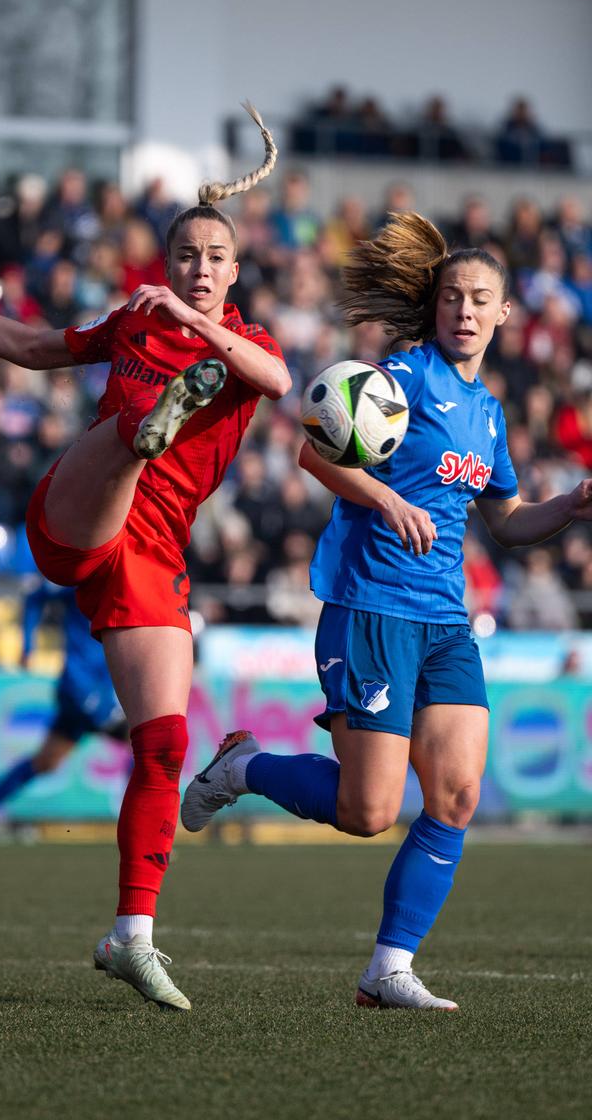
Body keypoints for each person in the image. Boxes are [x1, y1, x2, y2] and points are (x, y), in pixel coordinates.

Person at [180, 211, 592, 1011]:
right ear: (434, 309)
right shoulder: (402, 379)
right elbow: (311, 448)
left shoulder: (489, 412)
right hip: (372, 608)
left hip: (446, 621)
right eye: (451, 299)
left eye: (479, 300)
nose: (464, 312)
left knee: (458, 796)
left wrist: (572, 505)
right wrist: (385, 500)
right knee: (368, 810)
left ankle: (387, 969)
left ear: (506, 313)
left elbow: (504, 522)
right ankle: (241, 767)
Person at [0, 105, 290, 1011]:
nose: (199, 270)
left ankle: (130, 936)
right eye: (184, 258)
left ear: (235, 271)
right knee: (134, 432)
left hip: (151, 557)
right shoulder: (132, 319)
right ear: (163, 262)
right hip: (76, 515)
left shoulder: (253, 345)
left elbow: (279, 383)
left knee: (165, 743)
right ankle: (147, 427)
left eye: (214, 260)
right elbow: (32, 346)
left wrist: (191, 323)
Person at [0, 583, 127, 864]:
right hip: (82, 686)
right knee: (145, 740)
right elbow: (35, 597)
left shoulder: (124, 573)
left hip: (101, 684)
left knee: (47, 761)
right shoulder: (83, 576)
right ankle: (145, 831)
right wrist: (27, 643)